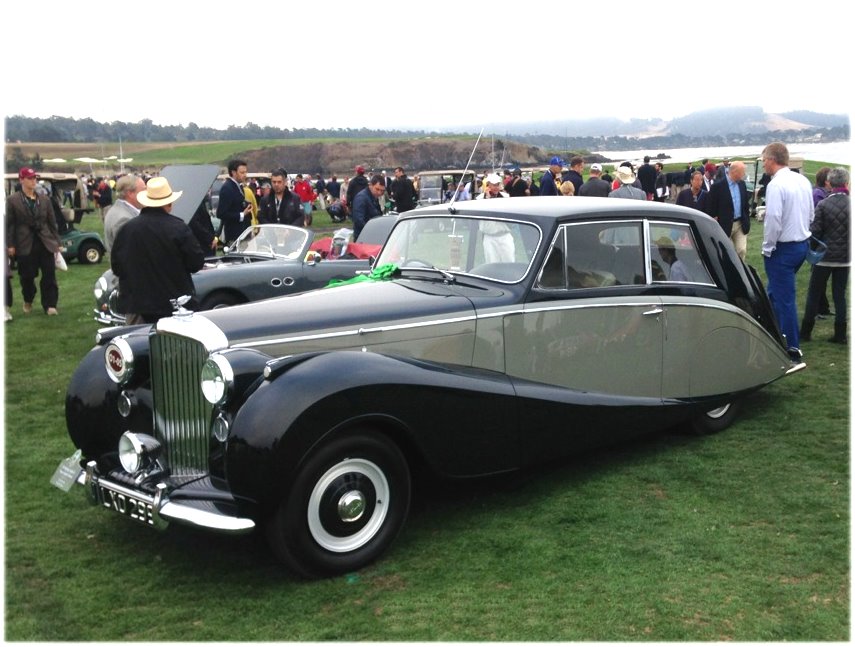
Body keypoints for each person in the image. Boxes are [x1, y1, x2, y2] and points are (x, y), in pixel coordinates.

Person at [111, 176, 206, 325]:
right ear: (169, 203)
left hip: (138, 307)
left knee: (139, 346)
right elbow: (196, 262)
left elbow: (117, 267)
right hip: (174, 306)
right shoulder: (178, 228)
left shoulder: (127, 229)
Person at [761, 141, 813, 361]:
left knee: (785, 299)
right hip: (802, 244)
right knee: (773, 292)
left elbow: (773, 219)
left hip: (783, 248)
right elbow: (811, 212)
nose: (763, 164)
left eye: (764, 160)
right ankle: (767, 330)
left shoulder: (776, 185)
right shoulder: (802, 179)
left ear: (772, 160)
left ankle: (792, 349)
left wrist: (768, 246)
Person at [800, 167, 850, 344]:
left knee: (814, 293)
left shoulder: (824, 204)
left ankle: (806, 331)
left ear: (830, 183)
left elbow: (815, 231)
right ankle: (840, 334)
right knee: (839, 295)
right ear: (846, 183)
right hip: (845, 258)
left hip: (824, 257)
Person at [5, 167, 63, 315]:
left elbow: (52, 222)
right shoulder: (12, 200)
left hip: (45, 241)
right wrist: (10, 244)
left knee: (49, 274)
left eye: (34, 178)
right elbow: (10, 225)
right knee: (27, 277)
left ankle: (50, 305)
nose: (33, 181)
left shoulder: (44, 199)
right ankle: (28, 299)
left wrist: (57, 242)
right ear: (21, 180)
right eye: (29, 178)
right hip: (25, 242)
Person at [706, 160, 750, 260]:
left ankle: (740, 272)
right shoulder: (717, 187)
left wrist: (747, 219)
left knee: (741, 250)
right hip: (725, 225)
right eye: (743, 172)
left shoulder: (742, 184)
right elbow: (711, 206)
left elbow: (745, 204)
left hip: (740, 224)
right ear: (735, 172)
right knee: (727, 253)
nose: (744, 175)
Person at [104, 174, 145, 252]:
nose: (146, 193)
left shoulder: (117, 210)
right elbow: (130, 253)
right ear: (130, 194)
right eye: (143, 190)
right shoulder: (124, 219)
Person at [217, 159, 253, 245]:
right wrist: (242, 215)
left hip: (243, 233)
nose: (245, 175)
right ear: (233, 172)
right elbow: (221, 213)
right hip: (234, 236)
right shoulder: (227, 188)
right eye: (242, 172)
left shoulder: (238, 186)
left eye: (245, 172)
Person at [351, 174, 385, 240]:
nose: (379, 193)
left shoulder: (373, 197)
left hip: (371, 235)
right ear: (370, 185)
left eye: (382, 190)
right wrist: (371, 231)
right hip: (363, 237)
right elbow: (359, 220)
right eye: (377, 189)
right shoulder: (361, 198)